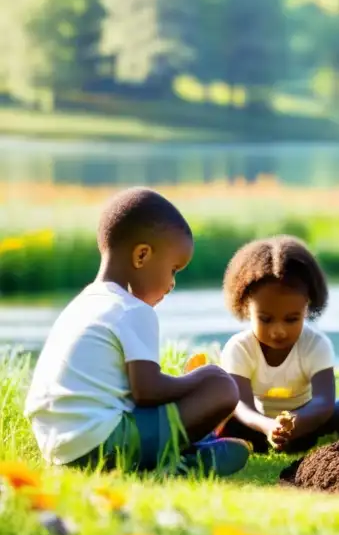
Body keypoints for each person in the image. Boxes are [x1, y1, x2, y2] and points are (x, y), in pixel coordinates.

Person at [25, 187, 249, 476]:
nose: (172, 284)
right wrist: (200, 378)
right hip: (103, 445)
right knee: (221, 387)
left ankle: (179, 449)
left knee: (202, 400)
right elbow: (147, 391)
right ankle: (178, 465)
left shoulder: (81, 305)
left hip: (58, 449)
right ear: (142, 255)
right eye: (173, 269)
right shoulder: (132, 309)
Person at [216, 235, 339, 453]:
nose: (278, 330)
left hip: (306, 423)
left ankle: (295, 442)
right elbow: (241, 406)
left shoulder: (316, 344)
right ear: (245, 307)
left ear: (307, 307)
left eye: (291, 319)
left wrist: (293, 423)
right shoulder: (239, 347)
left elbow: (323, 401)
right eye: (265, 319)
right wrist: (268, 426)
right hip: (257, 425)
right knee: (223, 416)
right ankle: (261, 444)